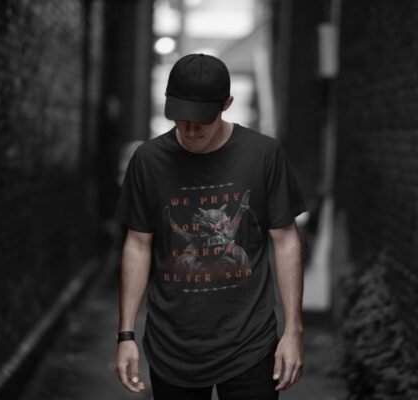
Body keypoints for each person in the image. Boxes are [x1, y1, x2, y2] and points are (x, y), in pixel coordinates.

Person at [113, 53, 306, 400]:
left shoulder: (263, 155)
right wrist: (125, 335)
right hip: (172, 346)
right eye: (180, 117)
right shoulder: (148, 161)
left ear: (226, 105)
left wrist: (294, 331)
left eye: (201, 119)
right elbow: (138, 244)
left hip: (250, 342)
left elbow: (286, 240)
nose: (189, 129)